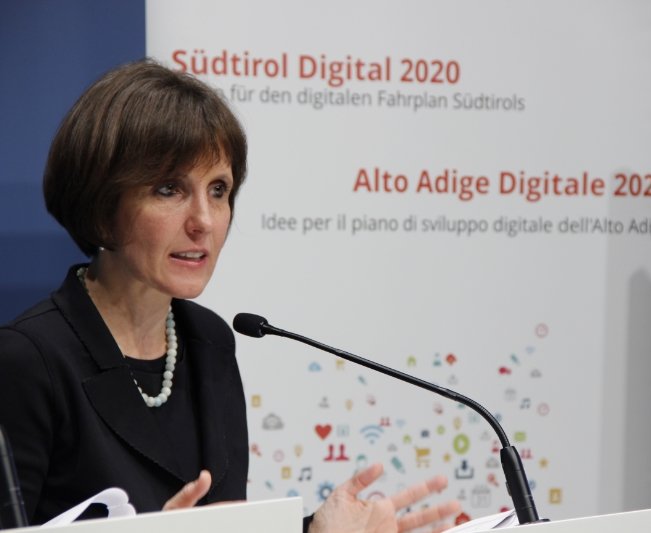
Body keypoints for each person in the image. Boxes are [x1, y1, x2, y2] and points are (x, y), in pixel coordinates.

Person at [0, 59, 459, 532]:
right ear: (102, 204)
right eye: (169, 189)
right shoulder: (28, 361)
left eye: (218, 190)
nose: (204, 220)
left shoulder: (209, 340)